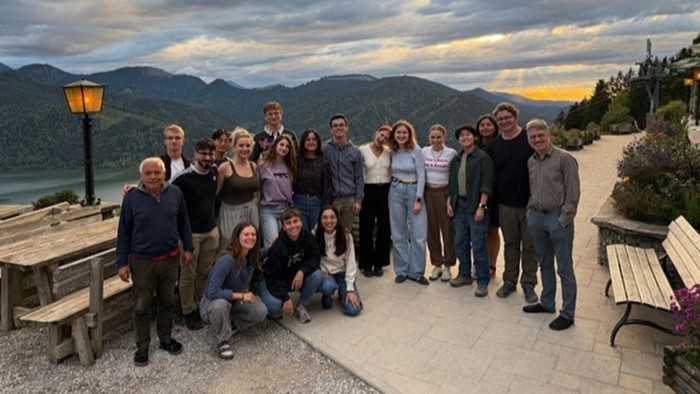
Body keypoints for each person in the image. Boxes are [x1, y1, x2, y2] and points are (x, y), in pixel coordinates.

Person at [116, 157, 193, 367]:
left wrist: (188, 248)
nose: (153, 177)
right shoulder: (132, 199)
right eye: (148, 173)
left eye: (157, 172)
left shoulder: (175, 194)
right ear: (141, 176)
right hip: (142, 261)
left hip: (170, 258)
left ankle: (165, 338)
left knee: (167, 300)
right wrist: (121, 263)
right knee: (142, 305)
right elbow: (123, 232)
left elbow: (183, 222)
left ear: (164, 174)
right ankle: (142, 345)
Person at [522, 119, 581, 331]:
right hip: (537, 216)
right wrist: (530, 212)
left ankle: (567, 313)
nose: (537, 139)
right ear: (529, 139)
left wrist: (564, 219)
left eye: (541, 135)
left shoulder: (565, 159)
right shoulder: (531, 161)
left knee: (564, 267)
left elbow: (573, 193)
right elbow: (533, 189)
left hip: (557, 218)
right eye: (533, 137)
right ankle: (547, 303)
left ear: (549, 136)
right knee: (544, 263)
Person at [485, 102, 538, 303]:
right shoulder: (494, 146)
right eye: (500, 119)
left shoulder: (529, 139)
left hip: (531, 204)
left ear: (515, 117)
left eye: (508, 117)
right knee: (511, 244)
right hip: (505, 204)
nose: (504, 121)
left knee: (530, 247)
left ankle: (529, 284)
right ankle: (509, 281)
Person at [169, 138, 219, 331]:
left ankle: (200, 304)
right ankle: (188, 310)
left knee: (204, 273)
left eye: (210, 154)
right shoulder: (183, 178)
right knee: (188, 274)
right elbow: (163, 189)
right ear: (196, 154)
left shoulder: (213, 173)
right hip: (191, 235)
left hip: (210, 232)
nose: (207, 157)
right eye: (203, 153)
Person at [200, 222, 268, 359]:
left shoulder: (250, 256)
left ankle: (231, 326)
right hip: (212, 304)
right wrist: (241, 296)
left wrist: (274, 244)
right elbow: (212, 292)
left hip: (233, 301)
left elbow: (263, 252)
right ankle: (223, 340)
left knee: (261, 310)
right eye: (246, 234)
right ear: (237, 237)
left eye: (253, 234)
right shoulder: (227, 260)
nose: (250, 237)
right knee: (220, 305)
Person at [446, 125, 494, 297]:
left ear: (475, 137)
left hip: (475, 206)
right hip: (459, 205)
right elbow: (452, 183)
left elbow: (487, 184)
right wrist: (449, 202)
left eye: (468, 135)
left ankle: (482, 281)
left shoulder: (483, 158)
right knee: (460, 241)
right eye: (461, 136)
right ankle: (464, 274)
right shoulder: (457, 159)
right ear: (458, 140)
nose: (465, 138)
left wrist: (482, 207)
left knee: (479, 244)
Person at [259, 208, 323, 323]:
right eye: (288, 223)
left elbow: (315, 257)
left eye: (295, 221)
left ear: (301, 222)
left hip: (294, 278)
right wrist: (285, 298)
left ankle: (301, 305)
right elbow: (272, 276)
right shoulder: (278, 247)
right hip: (273, 279)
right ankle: (266, 298)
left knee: (317, 275)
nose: (293, 226)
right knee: (274, 305)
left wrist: (302, 271)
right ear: (283, 227)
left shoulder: (307, 237)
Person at [388, 120, 428, 285]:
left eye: (405, 132)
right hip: (396, 189)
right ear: (394, 135)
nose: (401, 135)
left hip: (413, 190)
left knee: (418, 234)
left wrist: (418, 198)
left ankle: (417, 272)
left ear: (409, 134)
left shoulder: (416, 150)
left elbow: (422, 175)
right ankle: (402, 270)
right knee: (398, 233)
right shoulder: (392, 151)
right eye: (398, 132)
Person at [422, 124, 457, 282]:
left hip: (444, 193)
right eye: (433, 137)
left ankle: (448, 265)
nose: (436, 140)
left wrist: (450, 198)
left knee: (447, 230)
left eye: (439, 137)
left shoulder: (451, 153)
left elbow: (454, 178)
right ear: (429, 138)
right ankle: (436, 264)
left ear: (444, 137)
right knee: (432, 230)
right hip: (428, 192)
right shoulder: (424, 151)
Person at [315, 205, 363, 316]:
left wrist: (350, 289)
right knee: (327, 290)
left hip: (342, 273)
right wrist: (320, 268)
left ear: (337, 219)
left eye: (332, 217)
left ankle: (343, 291)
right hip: (326, 275)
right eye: (325, 218)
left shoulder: (346, 236)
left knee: (354, 310)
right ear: (320, 221)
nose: (329, 221)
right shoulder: (315, 234)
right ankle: (327, 293)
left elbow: (351, 263)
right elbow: (312, 257)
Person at [358, 125, 392, 278]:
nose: (381, 138)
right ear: (375, 132)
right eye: (380, 134)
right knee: (366, 227)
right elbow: (358, 174)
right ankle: (366, 263)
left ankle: (380, 262)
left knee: (384, 227)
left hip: (386, 190)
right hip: (368, 190)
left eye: (385, 137)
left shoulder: (389, 153)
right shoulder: (362, 150)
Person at [217, 128, 260, 248]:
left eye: (248, 146)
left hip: (251, 212)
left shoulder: (254, 166)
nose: (244, 149)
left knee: (249, 247)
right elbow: (215, 192)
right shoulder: (225, 168)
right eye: (241, 145)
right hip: (230, 213)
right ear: (234, 146)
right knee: (230, 246)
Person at [323, 114, 364, 232]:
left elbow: (359, 178)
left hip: (349, 200)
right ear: (331, 129)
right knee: (330, 232)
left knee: (346, 232)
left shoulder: (355, 152)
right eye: (335, 126)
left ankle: (346, 251)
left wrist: (358, 200)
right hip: (332, 200)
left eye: (341, 125)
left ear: (347, 127)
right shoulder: (325, 150)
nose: (338, 128)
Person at [258, 134, 297, 249]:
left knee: (286, 243)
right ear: (275, 146)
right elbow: (257, 186)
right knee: (271, 244)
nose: (284, 148)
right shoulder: (263, 165)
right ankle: (268, 265)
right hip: (269, 209)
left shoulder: (290, 166)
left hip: (286, 209)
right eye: (281, 144)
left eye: (287, 146)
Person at [476, 114, 501, 279]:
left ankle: (491, 265)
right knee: (478, 231)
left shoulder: (501, 144)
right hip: (477, 193)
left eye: (488, 124)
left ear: (494, 127)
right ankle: (479, 263)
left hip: (497, 193)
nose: (485, 127)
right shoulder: (474, 145)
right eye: (482, 125)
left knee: (492, 229)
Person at [293, 129, 333, 230]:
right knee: (301, 234)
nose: (311, 142)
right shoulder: (296, 160)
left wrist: (326, 207)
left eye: (314, 139)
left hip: (317, 203)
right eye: (308, 140)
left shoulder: (323, 162)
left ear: (318, 142)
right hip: (299, 202)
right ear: (303, 142)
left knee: (316, 234)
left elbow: (327, 187)